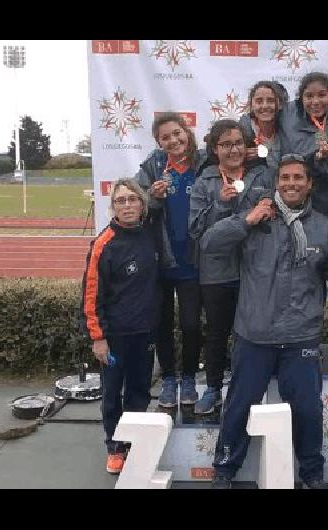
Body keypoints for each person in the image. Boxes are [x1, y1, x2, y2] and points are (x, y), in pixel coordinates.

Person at [201, 154, 328, 488]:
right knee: (239, 407)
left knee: (307, 412)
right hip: (254, 335)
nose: (292, 183)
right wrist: (246, 219)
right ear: (277, 183)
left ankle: (312, 475)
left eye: (298, 178)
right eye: (285, 178)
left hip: (300, 337)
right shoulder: (257, 219)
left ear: (309, 184)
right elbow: (210, 244)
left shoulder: (321, 226)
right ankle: (224, 471)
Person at [189, 119, 274, 415]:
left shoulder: (263, 175)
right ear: (214, 149)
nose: (233, 149)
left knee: (249, 333)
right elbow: (196, 231)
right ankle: (213, 388)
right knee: (217, 333)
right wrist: (221, 206)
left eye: (238, 143)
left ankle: (243, 387)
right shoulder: (205, 182)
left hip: (254, 268)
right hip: (217, 273)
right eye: (226, 145)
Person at [78, 179, 160, 474]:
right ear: (113, 206)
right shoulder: (103, 243)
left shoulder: (151, 234)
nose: (127, 205)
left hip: (145, 332)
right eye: (121, 200)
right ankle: (114, 446)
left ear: (142, 204)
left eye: (132, 199)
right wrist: (97, 338)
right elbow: (90, 295)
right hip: (114, 337)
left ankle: (134, 442)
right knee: (112, 393)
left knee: (140, 391)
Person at [135, 113, 207, 409]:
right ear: (158, 142)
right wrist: (152, 198)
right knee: (160, 324)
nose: (174, 141)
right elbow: (135, 206)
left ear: (187, 132)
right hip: (162, 260)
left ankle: (188, 376)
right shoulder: (153, 166)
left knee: (191, 325)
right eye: (166, 137)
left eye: (177, 133)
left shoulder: (205, 162)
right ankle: (167, 378)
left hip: (194, 259)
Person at [279, 72, 328, 225]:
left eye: (322, 95)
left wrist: (327, 158)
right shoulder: (287, 115)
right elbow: (258, 115)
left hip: (327, 205)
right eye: (309, 96)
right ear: (301, 98)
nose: (316, 101)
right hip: (291, 199)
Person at [240, 80, 288, 169]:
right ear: (251, 105)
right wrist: (239, 157)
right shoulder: (240, 133)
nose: (265, 106)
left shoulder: (289, 131)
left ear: (280, 104)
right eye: (259, 101)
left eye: (270, 101)